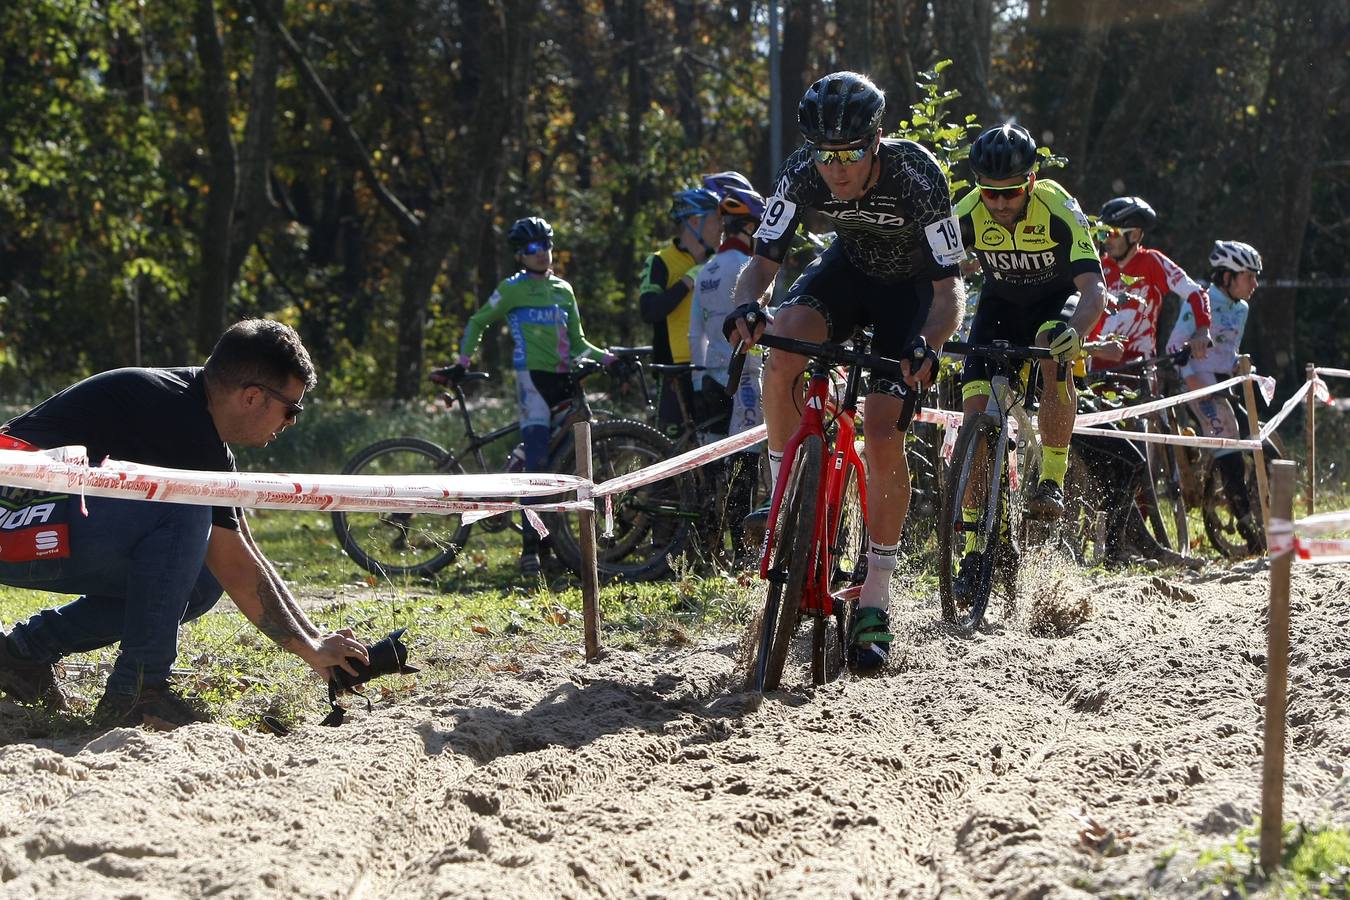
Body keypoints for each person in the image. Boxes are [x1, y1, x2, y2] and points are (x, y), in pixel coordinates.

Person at [0, 319, 369, 730]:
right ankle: (139, 691)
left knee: (201, 578)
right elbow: (235, 565)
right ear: (252, 397)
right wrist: (311, 648)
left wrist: (315, 636)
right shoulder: (177, 416)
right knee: (185, 510)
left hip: (35, 518)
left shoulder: (200, 425)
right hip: (13, 517)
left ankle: (23, 653)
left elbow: (245, 551)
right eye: (291, 409)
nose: (291, 422)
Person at [724, 71, 967, 673]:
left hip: (909, 297)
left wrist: (928, 345)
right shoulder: (803, 172)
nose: (836, 168)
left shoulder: (917, 177)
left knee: (883, 429)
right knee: (780, 351)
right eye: (826, 154)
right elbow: (761, 266)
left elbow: (948, 291)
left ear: (877, 140)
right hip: (848, 274)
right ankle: (783, 496)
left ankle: (876, 598)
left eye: (851, 154)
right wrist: (748, 305)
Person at [948, 123, 1106, 591]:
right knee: (975, 422)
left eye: (1011, 193)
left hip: (1056, 304)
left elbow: (1095, 288)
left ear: (1031, 182)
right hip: (999, 310)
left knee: (1052, 341)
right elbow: (930, 277)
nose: (998, 204)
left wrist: (1077, 332)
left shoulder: (1056, 205)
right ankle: (976, 551)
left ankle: (1052, 479)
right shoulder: (969, 212)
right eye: (989, 194)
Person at [455, 216, 613, 575]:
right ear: (519, 255)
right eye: (532, 248)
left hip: (563, 379)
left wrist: (608, 358)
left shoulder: (564, 290)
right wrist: (463, 361)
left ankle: (554, 543)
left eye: (546, 245)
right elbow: (479, 320)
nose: (542, 253)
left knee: (565, 459)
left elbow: (578, 343)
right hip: (531, 382)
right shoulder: (512, 289)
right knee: (539, 466)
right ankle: (531, 549)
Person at [1164, 239, 1264, 552]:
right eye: (1249, 276)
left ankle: (1267, 510)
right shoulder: (1202, 300)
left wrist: (1240, 366)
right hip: (1196, 382)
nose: (1255, 284)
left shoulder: (1242, 308)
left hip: (1225, 382)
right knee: (1229, 440)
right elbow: (1172, 347)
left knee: (1262, 441)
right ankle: (1248, 526)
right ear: (1227, 277)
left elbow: (1227, 351)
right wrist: (1192, 381)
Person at [688, 176, 767, 561]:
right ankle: (743, 550)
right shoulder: (751, 269)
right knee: (745, 462)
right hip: (745, 377)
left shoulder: (705, 271)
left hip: (708, 375)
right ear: (751, 227)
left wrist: (697, 377)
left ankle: (710, 544)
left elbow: (694, 334)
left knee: (713, 465)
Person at [1087, 196, 1212, 369]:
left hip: (1140, 366)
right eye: (1103, 233)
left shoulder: (1152, 261)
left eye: (1113, 233)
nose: (1106, 240)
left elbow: (1196, 292)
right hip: (1095, 367)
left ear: (1135, 234)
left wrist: (1202, 331)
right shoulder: (1098, 266)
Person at [640, 187, 722, 436]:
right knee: (670, 450)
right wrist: (688, 281)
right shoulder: (661, 261)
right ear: (695, 221)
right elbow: (649, 311)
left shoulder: (721, 261)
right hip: (675, 369)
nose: (721, 227)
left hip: (713, 365)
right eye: (716, 219)